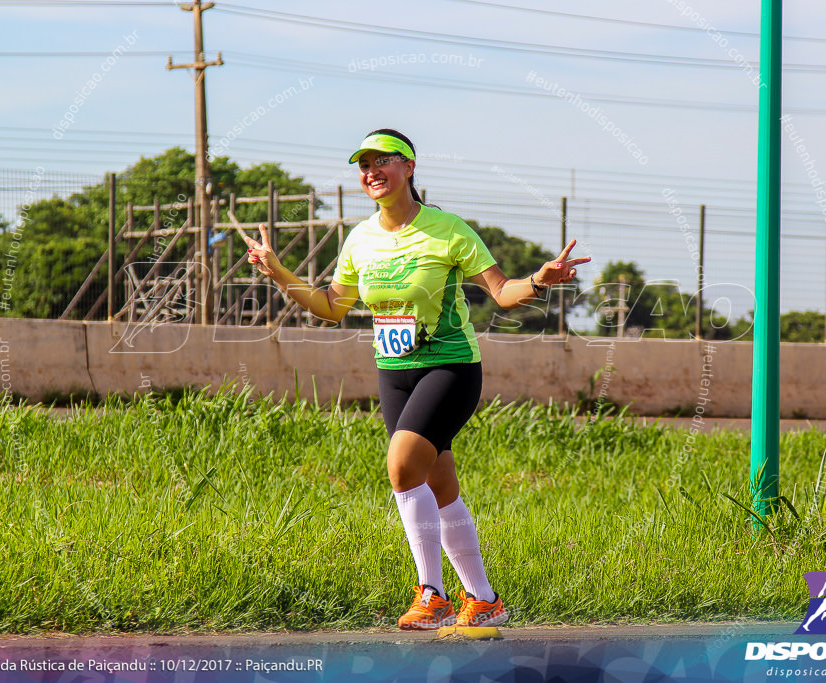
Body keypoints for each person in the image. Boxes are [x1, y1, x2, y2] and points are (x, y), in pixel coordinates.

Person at [240, 128, 589, 630]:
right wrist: (278, 272)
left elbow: (502, 293)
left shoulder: (448, 230)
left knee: (402, 467)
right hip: (394, 373)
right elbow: (332, 307)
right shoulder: (360, 238)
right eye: (364, 165)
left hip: (450, 367)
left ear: (409, 167)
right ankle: (485, 600)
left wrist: (538, 280)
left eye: (384, 160)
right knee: (438, 484)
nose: (372, 171)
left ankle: (433, 595)